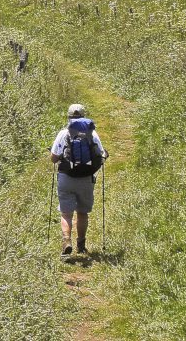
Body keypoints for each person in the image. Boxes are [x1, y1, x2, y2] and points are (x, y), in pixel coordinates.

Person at [50, 103, 108, 256]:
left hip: (66, 177)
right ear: (84, 116)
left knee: (66, 213)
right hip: (86, 179)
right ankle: (81, 245)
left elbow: (53, 159)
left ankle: (66, 241)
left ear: (69, 117)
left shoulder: (63, 133)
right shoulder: (92, 133)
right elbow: (101, 156)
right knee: (82, 213)